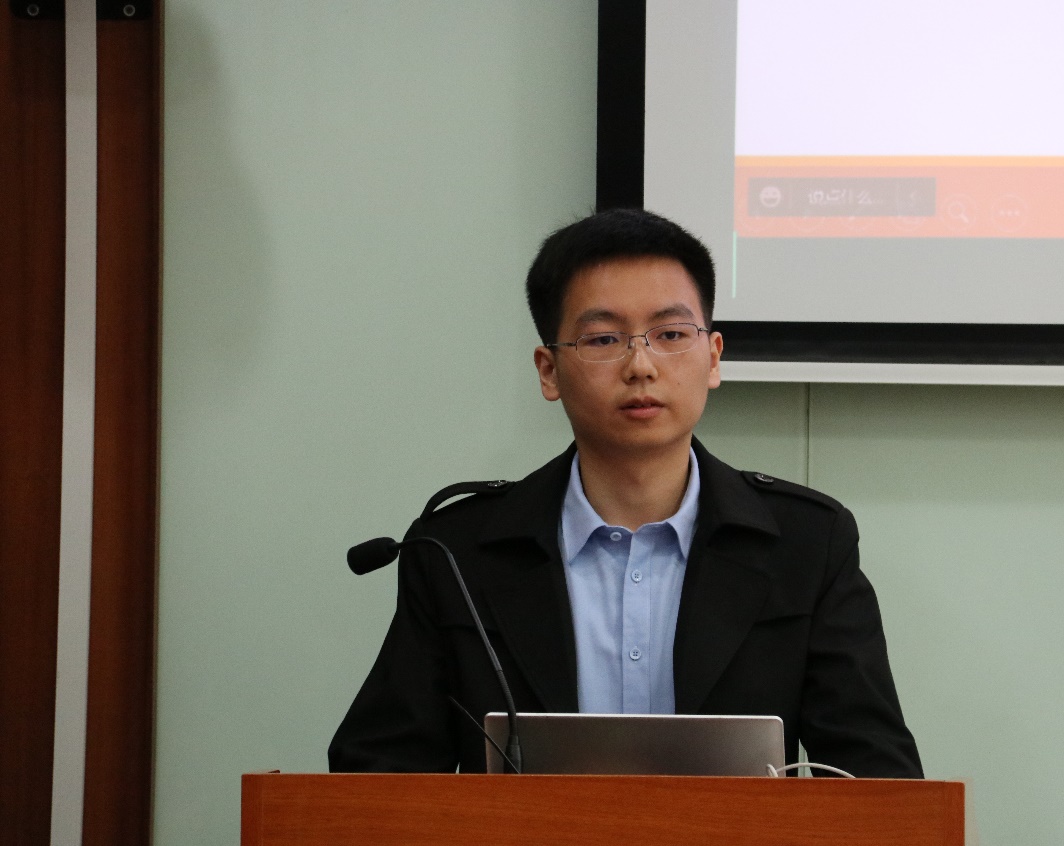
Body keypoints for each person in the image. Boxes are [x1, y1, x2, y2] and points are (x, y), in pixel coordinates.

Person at [328, 209, 922, 777]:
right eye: (604, 339)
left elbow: (878, 779)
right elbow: (376, 774)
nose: (641, 365)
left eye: (670, 333)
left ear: (713, 357)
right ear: (548, 371)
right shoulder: (457, 553)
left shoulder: (806, 544)